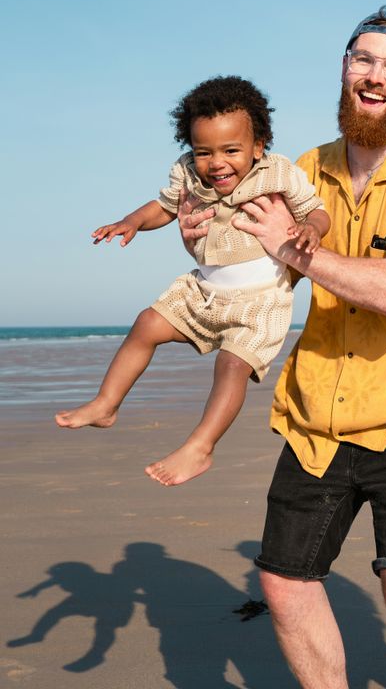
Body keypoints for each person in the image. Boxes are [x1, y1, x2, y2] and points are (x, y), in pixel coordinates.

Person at [182, 7, 386, 689]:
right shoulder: (298, 171)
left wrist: (287, 244)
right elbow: (242, 262)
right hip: (319, 410)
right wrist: (203, 238)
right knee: (284, 583)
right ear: (345, 69)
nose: (374, 75)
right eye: (362, 59)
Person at [55, 75, 330, 488]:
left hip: (260, 303)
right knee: (147, 322)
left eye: (231, 150)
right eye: (204, 152)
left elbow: (316, 209)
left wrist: (313, 229)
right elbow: (162, 208)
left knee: (232, 365)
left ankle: (201, 446)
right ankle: (106, 404)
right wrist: (131, 222)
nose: (216, 162)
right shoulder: (188, 174)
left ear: (259, 146)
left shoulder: (278, 174)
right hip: (204, 291)